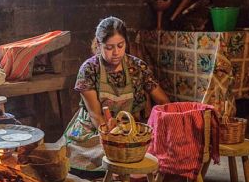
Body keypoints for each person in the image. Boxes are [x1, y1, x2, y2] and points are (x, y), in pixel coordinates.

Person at [63, 16, 170, 173]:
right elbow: (95, 114)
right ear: (99, 45)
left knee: (150, 148)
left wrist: (167, 122)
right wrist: (113, 138)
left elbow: (162, 100)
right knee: (104, 154)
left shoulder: (137, 66)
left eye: (120, 46)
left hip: (130, 128)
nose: (116, 52)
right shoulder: (89, 69)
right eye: (109, 47)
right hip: (97, 130)